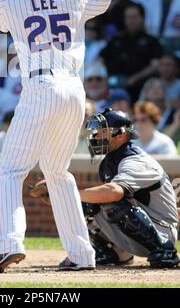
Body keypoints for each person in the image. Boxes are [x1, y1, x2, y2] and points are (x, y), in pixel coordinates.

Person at [0, 0, 120, 273]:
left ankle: (9, 244)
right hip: (74, 90)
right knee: (58, 173)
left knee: (12, 171)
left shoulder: (7, 1)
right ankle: (82, 255)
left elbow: (6, 24)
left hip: (41, 87)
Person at [29, 108, 179, 269]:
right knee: (86, 203)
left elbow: (114, 193)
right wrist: (61, 195)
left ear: (120, 134)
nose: (96, 136)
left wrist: (68, 194)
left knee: (111, 201)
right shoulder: (110, 162)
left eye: (102, 131)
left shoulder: (136, 161)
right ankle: (114, 253)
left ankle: (165, 251)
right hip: (142, 226)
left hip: (162, 231)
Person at [100, 2, 163, 101]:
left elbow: (155, 65)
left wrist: (135, 78)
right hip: (113, 86)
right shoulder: (116, 39)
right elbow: (100, 59)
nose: (131, 21)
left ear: (142, 18)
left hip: (140, 88)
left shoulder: (152, 41)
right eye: (128, 17)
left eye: (134, 17)